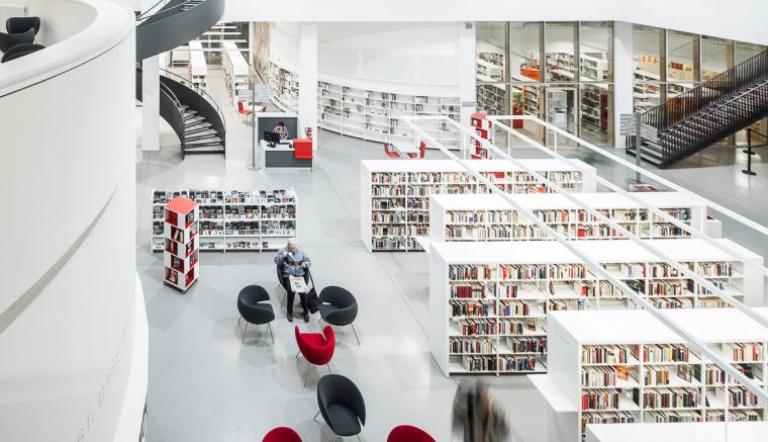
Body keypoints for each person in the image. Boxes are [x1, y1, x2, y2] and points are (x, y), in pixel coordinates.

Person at [274, 239, 311, 322]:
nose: (293, 250)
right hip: (288, 276)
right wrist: (283, 256)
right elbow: (276, 261)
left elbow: (309, 261)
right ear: (288, 246)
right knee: (291, 290)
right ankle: (289, 312)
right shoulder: (282, 251)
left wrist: (305, 264)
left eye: (294, 248)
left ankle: (305, 312)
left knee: (303, 292)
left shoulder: (301, 252)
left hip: (299, 275)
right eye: (291, 248)